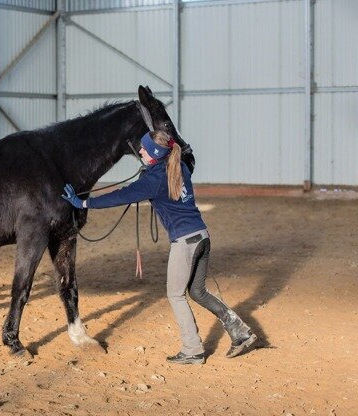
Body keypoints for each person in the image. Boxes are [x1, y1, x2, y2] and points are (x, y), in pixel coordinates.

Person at [62, 130, 257, 364]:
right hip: (202, 236)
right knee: (197, 292)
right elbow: (166, 172)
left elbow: (119, 196)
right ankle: (241, 332)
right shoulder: (179, 167)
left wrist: (82, 202)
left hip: (185, 242)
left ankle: (193, 349)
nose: (140, 151)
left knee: (175, 294)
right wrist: (150, 170)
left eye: (143, 149)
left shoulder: (152, 181)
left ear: (154, 154)